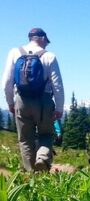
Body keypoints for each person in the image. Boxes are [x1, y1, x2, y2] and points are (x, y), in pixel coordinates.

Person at [1, 28, 64, 172]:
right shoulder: (49, 57)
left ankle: (31, 176)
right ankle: (42, 159)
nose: (46, 45)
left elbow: (6, 82)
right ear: (41, 38)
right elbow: (57, 85)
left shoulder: (14, 52)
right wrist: (59, 108)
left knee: (25, 140)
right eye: (46, 41)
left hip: (22, 101)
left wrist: (10, 102)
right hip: (44, 101)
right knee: (46, 135)